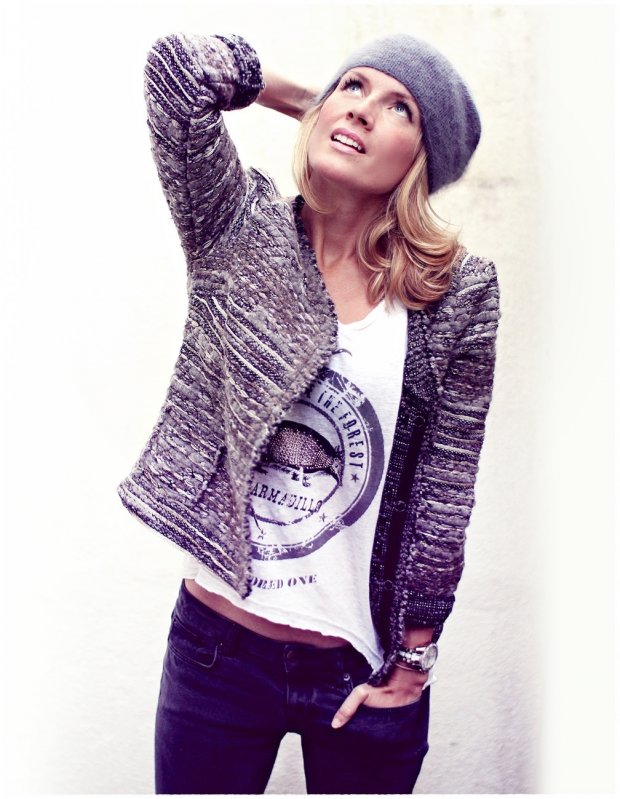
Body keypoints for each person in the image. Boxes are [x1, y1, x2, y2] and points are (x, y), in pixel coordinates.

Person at [118, 30, 500, 795]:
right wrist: (308, 101)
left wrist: (414, 660)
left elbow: (444, 490)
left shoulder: (459, 294)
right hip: (217, 654)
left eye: (400, 108)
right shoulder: (236, 227)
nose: (361, 109)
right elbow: (177, 68)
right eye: (353, 86)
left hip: (360, 667)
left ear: (423, 160)